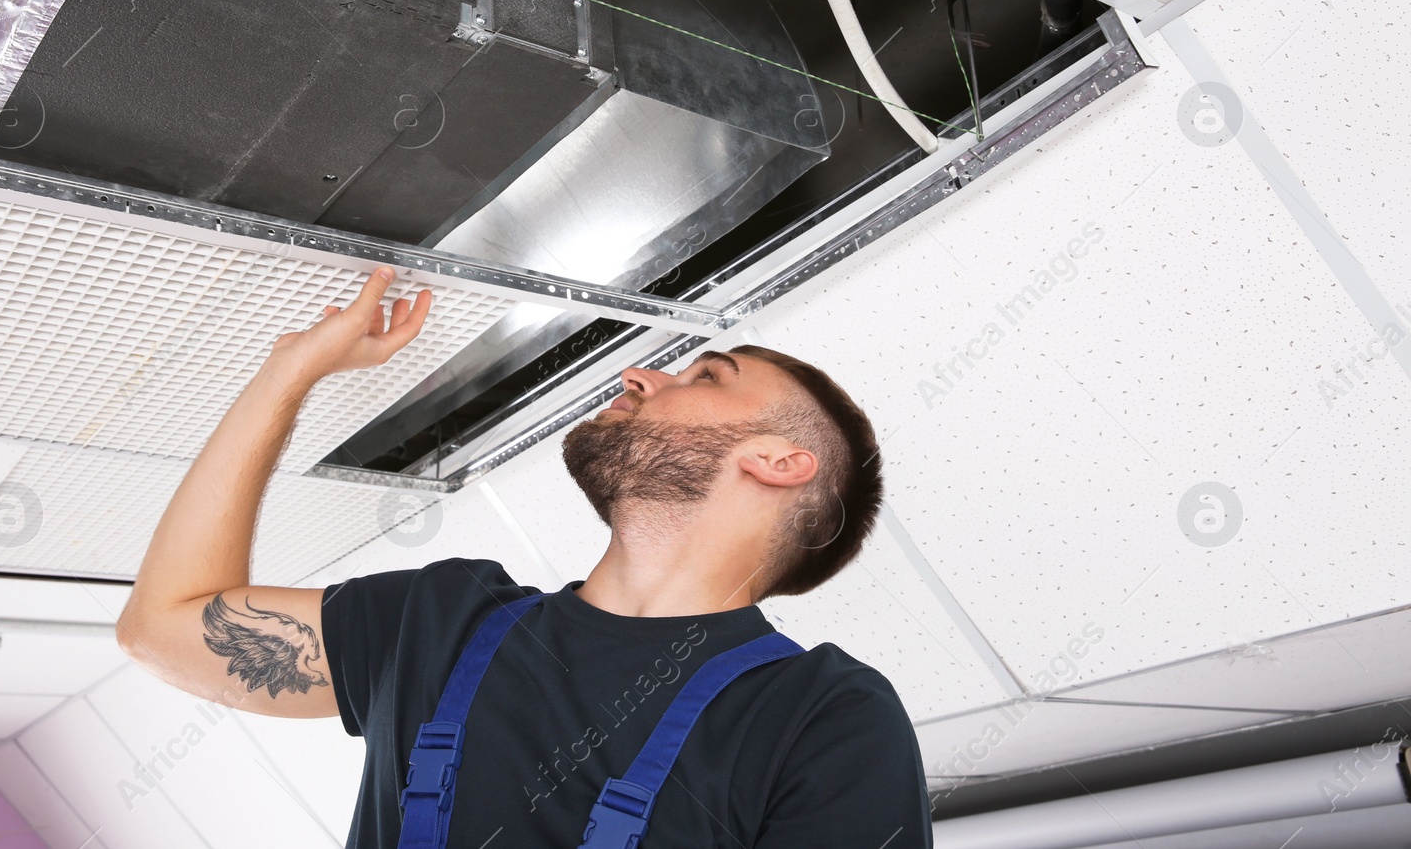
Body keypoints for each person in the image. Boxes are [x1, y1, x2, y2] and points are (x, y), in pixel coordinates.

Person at [117, 267, 932, 848]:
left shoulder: (822, 716)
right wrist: (290, 371)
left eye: (707, 375)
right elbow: (164, 626)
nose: (640, 372)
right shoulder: (441, 619)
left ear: (780, 460)